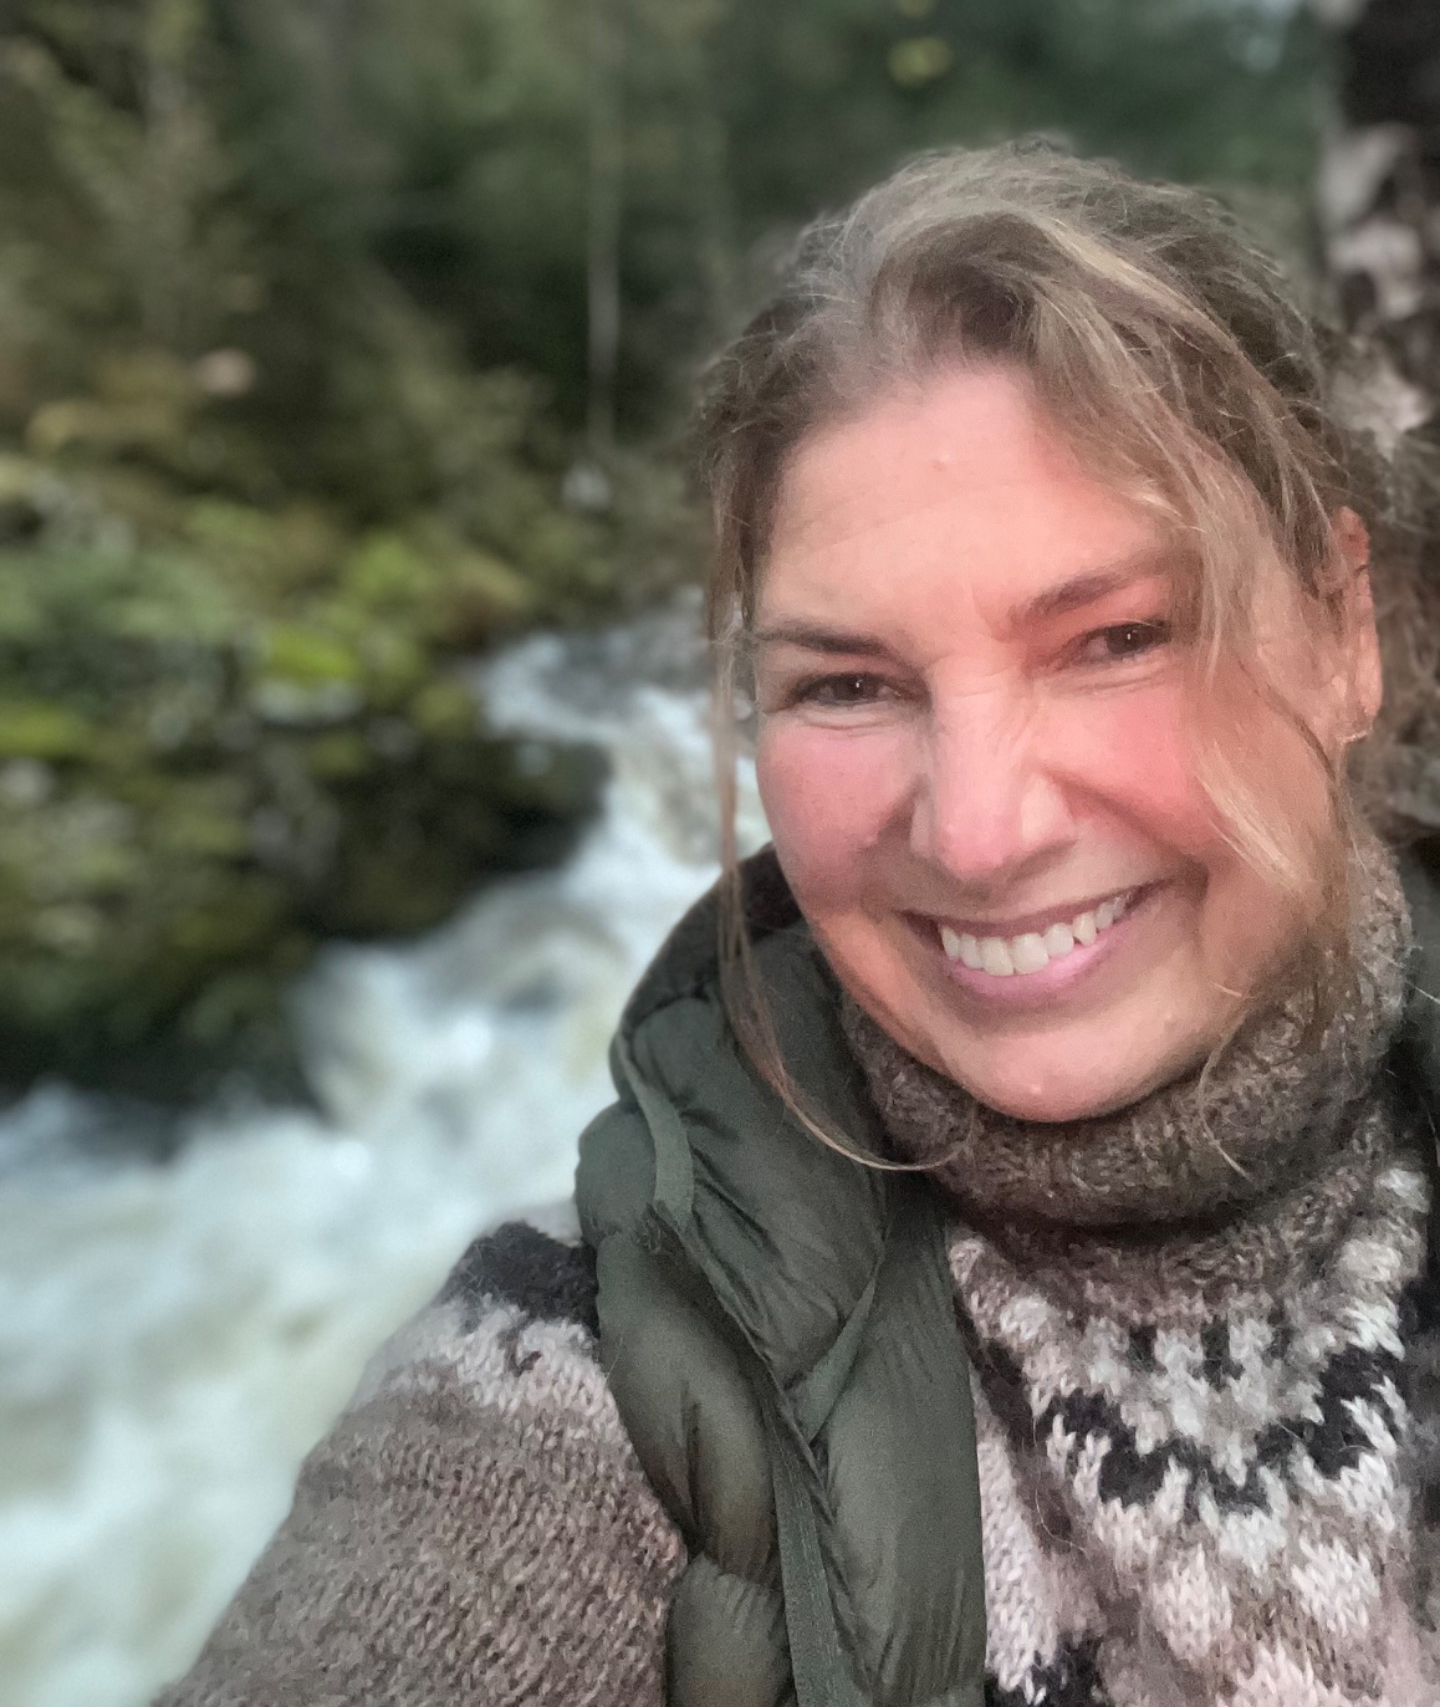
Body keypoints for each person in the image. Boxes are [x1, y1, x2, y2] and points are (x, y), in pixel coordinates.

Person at [155, 146, 1440, 1707]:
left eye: (1116, 638)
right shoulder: (597, 1363)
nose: (976, 833)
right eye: (846, 684)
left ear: (1345, 633)